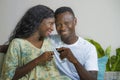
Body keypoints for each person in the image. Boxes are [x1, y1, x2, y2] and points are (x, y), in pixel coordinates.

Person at [1, 5, 71, 80]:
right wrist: (38, 60)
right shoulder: (17, 44)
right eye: (50, 23)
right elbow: (8, 77)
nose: (52, 28)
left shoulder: (48, 41)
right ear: (38, 22)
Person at [50, 6, 98, 80]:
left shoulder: (89, 48)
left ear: (75, 21)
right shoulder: (50, 40)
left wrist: (73, 60)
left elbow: (93, 79)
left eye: (66, 23)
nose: (62, 28)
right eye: (58, 24)